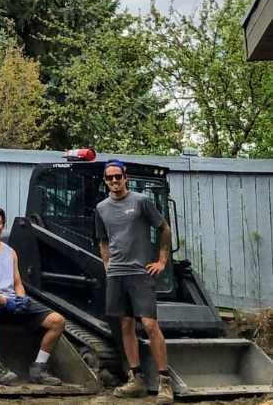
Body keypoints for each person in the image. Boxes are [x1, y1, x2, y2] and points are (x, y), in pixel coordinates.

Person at [95, 160, 173, 405]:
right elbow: (104, 241)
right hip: (117, 274)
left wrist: (161, 261)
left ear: (125, 177)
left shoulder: (141, 202)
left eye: (118, 176)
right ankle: (136, 378)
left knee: (149, 323)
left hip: (140, 273)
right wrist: (107, 265)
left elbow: (164, 229)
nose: (114, 181)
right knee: (125, 325)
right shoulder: (101, 208)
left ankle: (164, 382)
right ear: (105, 181)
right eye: (110, 178)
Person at [0, 206, 66, 386]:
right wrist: (3, 301)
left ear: (3, 225)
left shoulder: (10, 251)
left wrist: (20, 298)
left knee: (57, 321)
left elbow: (17, 282)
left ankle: (38, 368)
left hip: (11, 297)